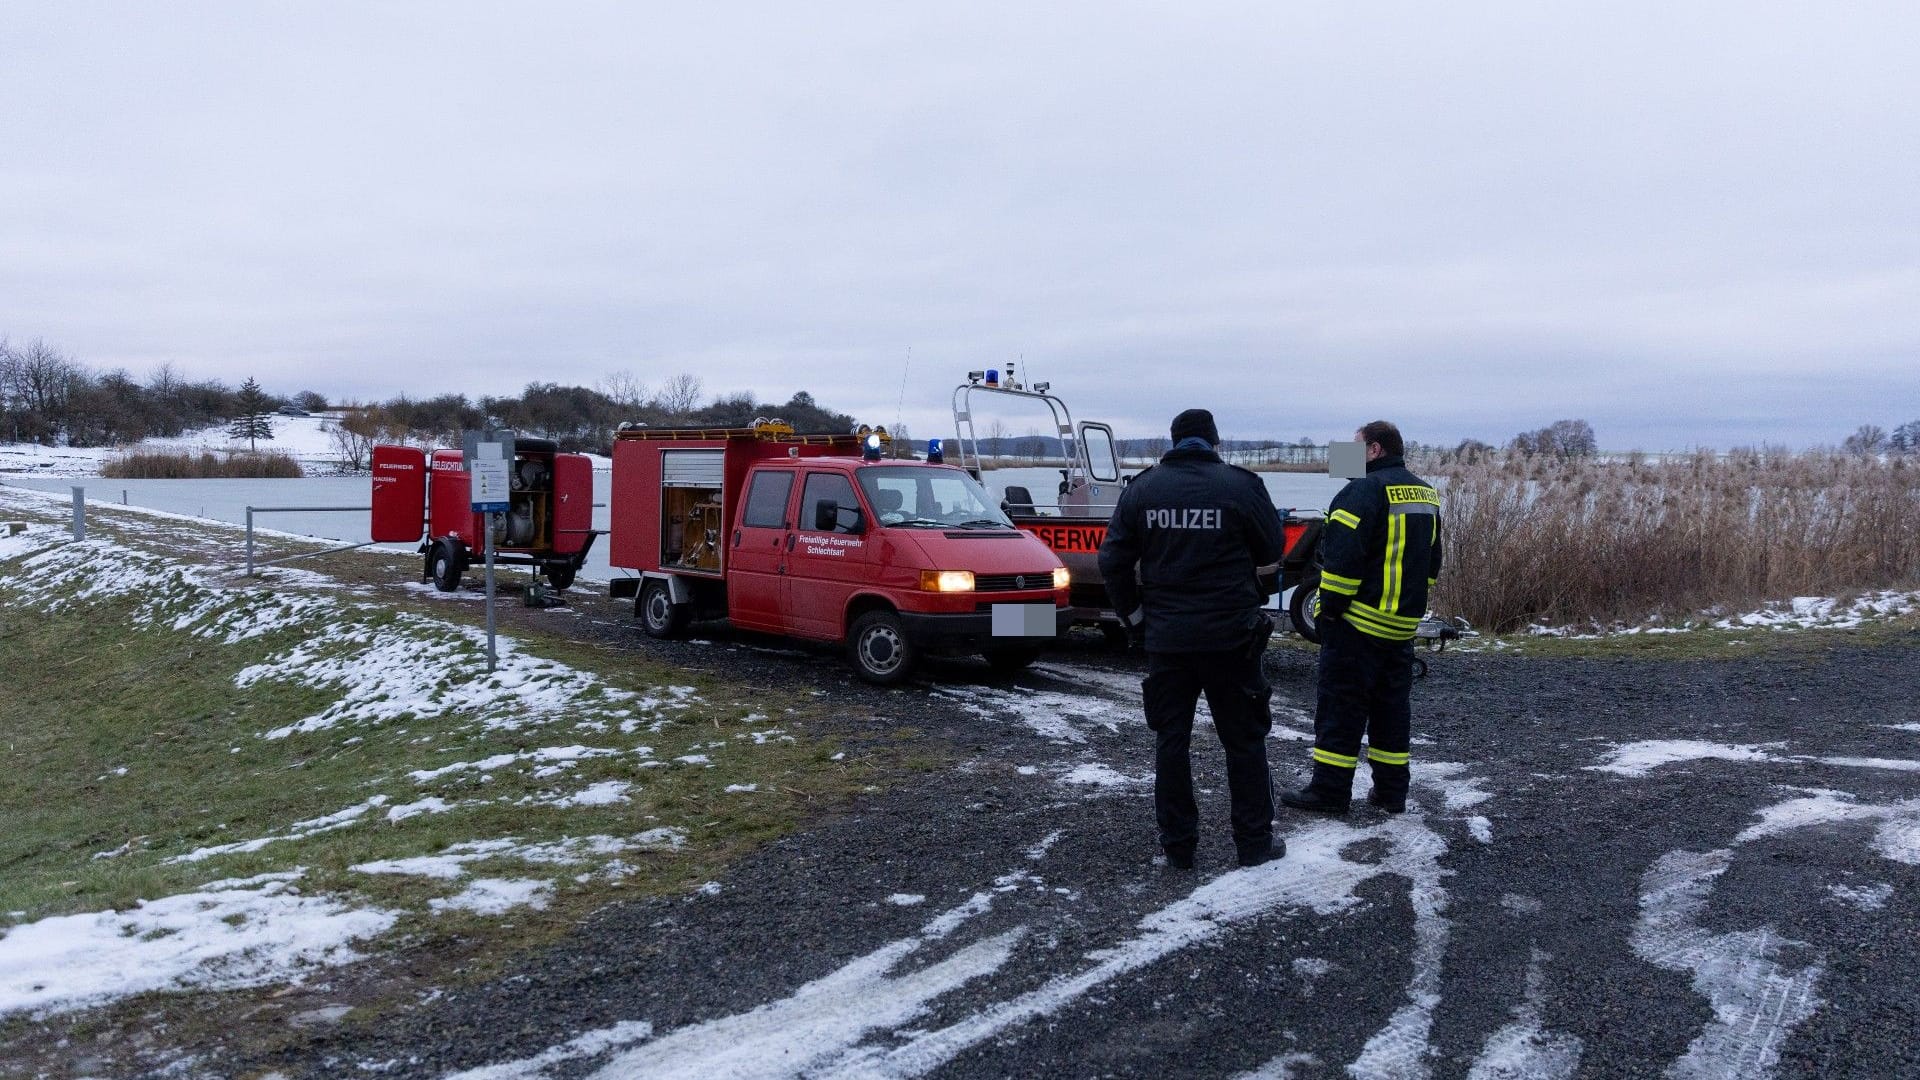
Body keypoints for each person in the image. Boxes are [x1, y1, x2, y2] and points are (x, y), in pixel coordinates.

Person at [1099, 408, 1289, 869]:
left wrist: (1135, 618)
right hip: (1232, 638)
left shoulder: (1142, 489)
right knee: (1244, 740)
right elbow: (1272, 550)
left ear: (1174, 440)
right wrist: (1250, 594)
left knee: (1172, 741)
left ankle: (1179, 846)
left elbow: (1112, 561)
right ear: (1215, 441)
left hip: (1167, 639)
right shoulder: (1242, 486)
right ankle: (1254, 843)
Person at [1282, 420, 1442, 815]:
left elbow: (1340, 567)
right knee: (1392, 710)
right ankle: (1391, 794)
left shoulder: (1358, 491)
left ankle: (1330, 793)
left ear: (1374, 450)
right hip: (1401, 626)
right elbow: (1432, 565)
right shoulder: (1426, 493)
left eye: (1354, 448)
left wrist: (1325, 611)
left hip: (1358, 625)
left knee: (1341, 708)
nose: (1347, 456)